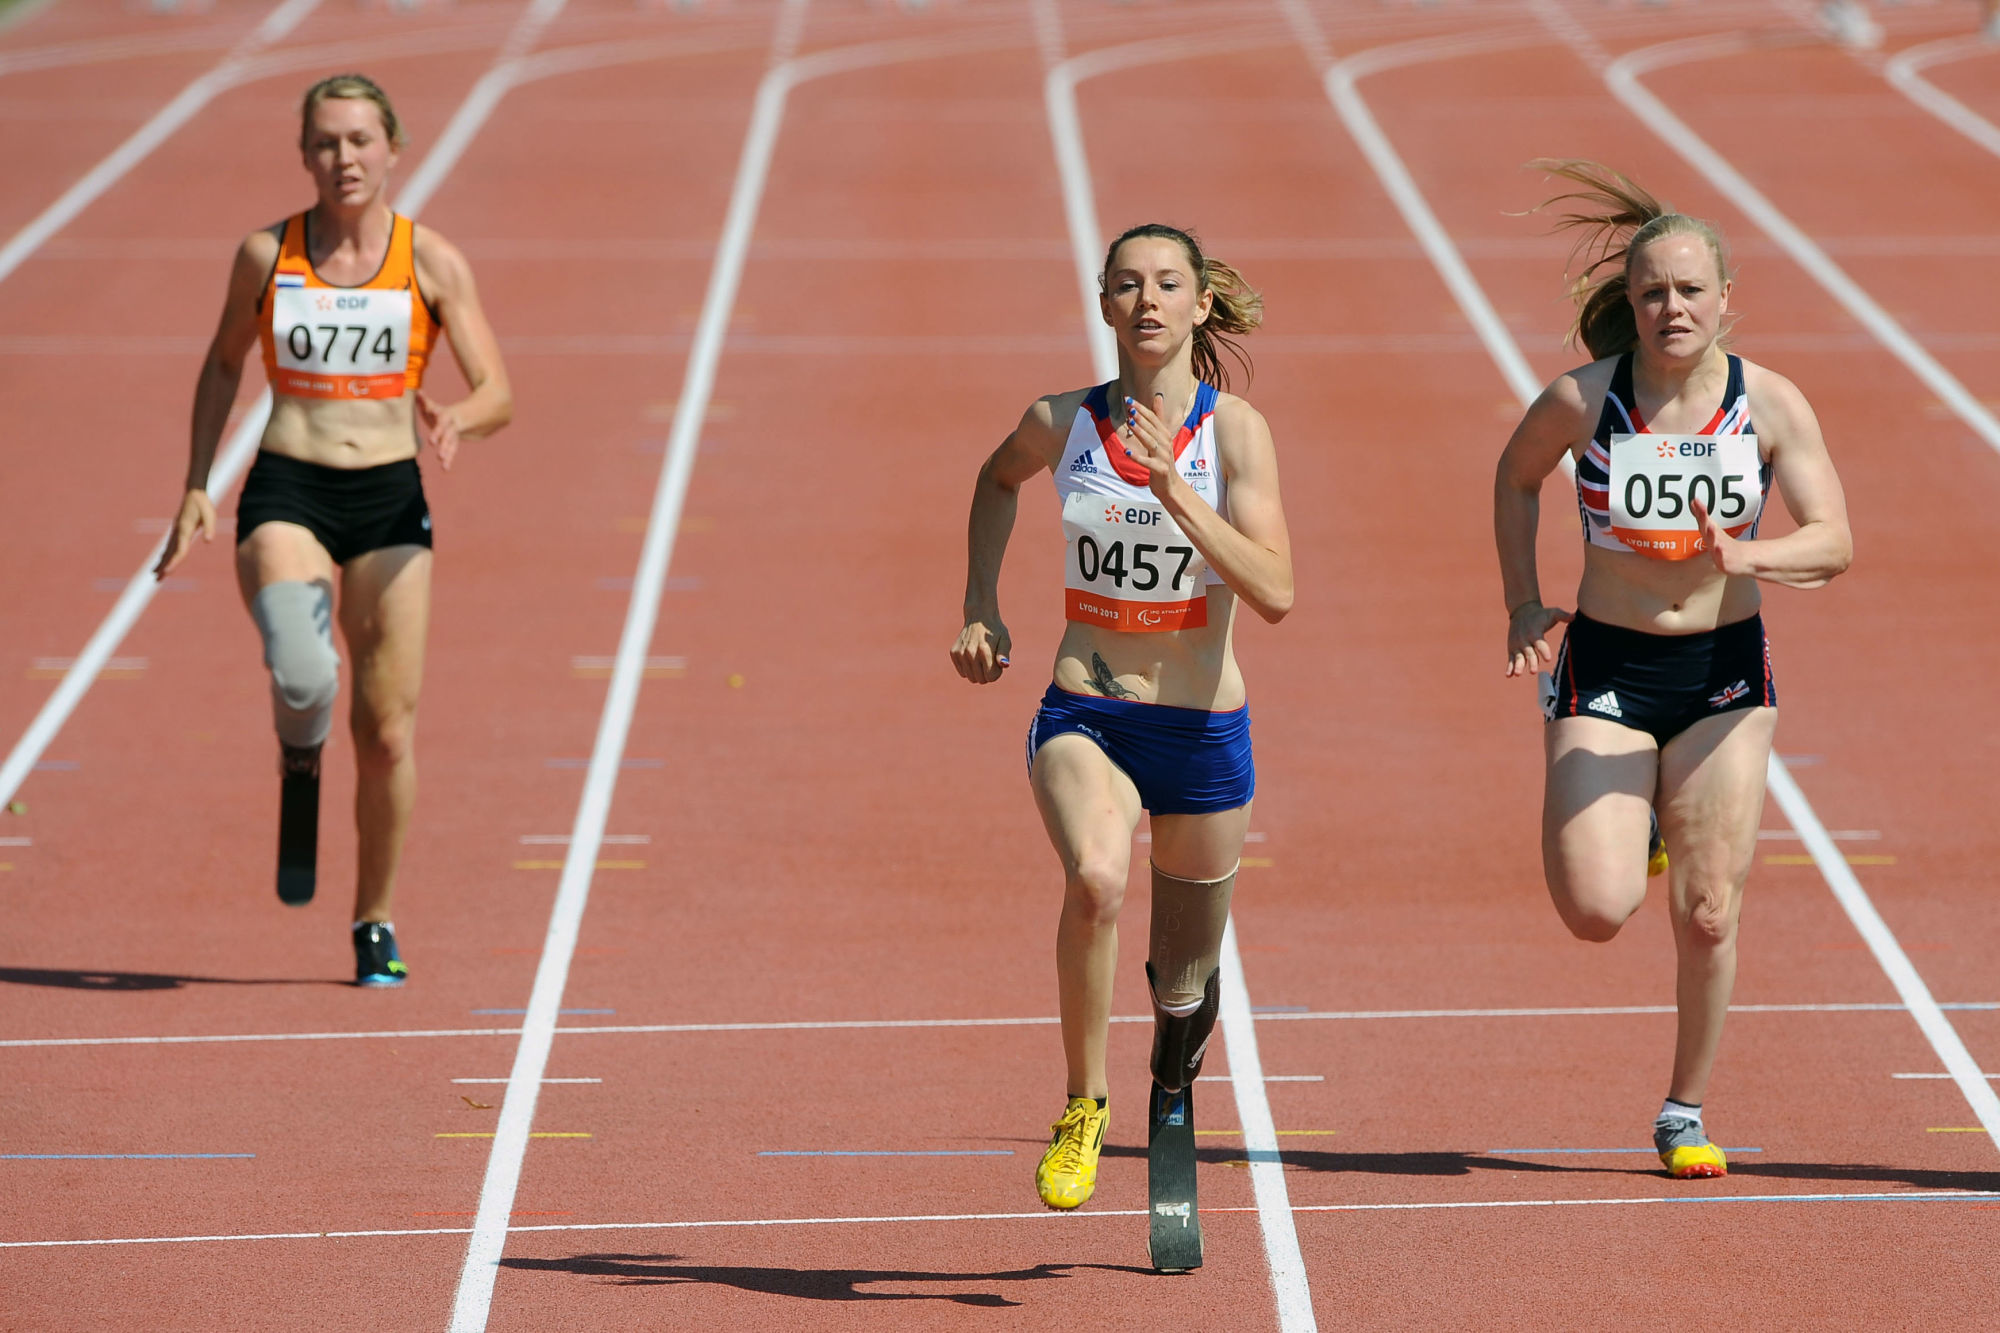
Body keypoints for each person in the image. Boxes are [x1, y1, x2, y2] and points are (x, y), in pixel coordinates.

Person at [1495, 161, 1851, 1177]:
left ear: (1724, 300)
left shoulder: (1769, 406)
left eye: (1689, 289)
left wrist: (1752, 556)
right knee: (1596, 909)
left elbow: (1832, 541)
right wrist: (1523, 598)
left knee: (1706, 908)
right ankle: (1635, 818)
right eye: (1651, 291)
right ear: (1629, 304)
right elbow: (1514, 477)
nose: (1670, 307)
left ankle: (1681, 1110)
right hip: (1604, 667)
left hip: (1722, 677)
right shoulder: (1581, 400)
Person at [950, 224, 1292, 1253]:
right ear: (1103, 304)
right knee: (1097, 879)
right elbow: (991, 478)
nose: (1146, 301)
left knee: (1183, 986)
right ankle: (1082, 1105)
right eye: (1127, 285)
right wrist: (980, 604)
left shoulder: (1234, 435)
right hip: (1085, 707)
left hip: (1198, 730)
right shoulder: (1058, 423)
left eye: (1167, 284)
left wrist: (1172, 490)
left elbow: (1274, 592)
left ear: (1198, 305)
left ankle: (1168, 1078)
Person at [155, 73, 511, 986]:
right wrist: (197, 484)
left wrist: (458, 421)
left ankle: (375, 920)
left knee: (387, 731)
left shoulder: (431, 261)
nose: (343, 159)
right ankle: (299, 740)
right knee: (309, 672)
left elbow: (499, 389)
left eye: (359, 141)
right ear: (304, 154)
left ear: (393, 147)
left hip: (389, 499)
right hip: (289, 489)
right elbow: (222, 362)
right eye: (325, 143)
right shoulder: (267, 254)